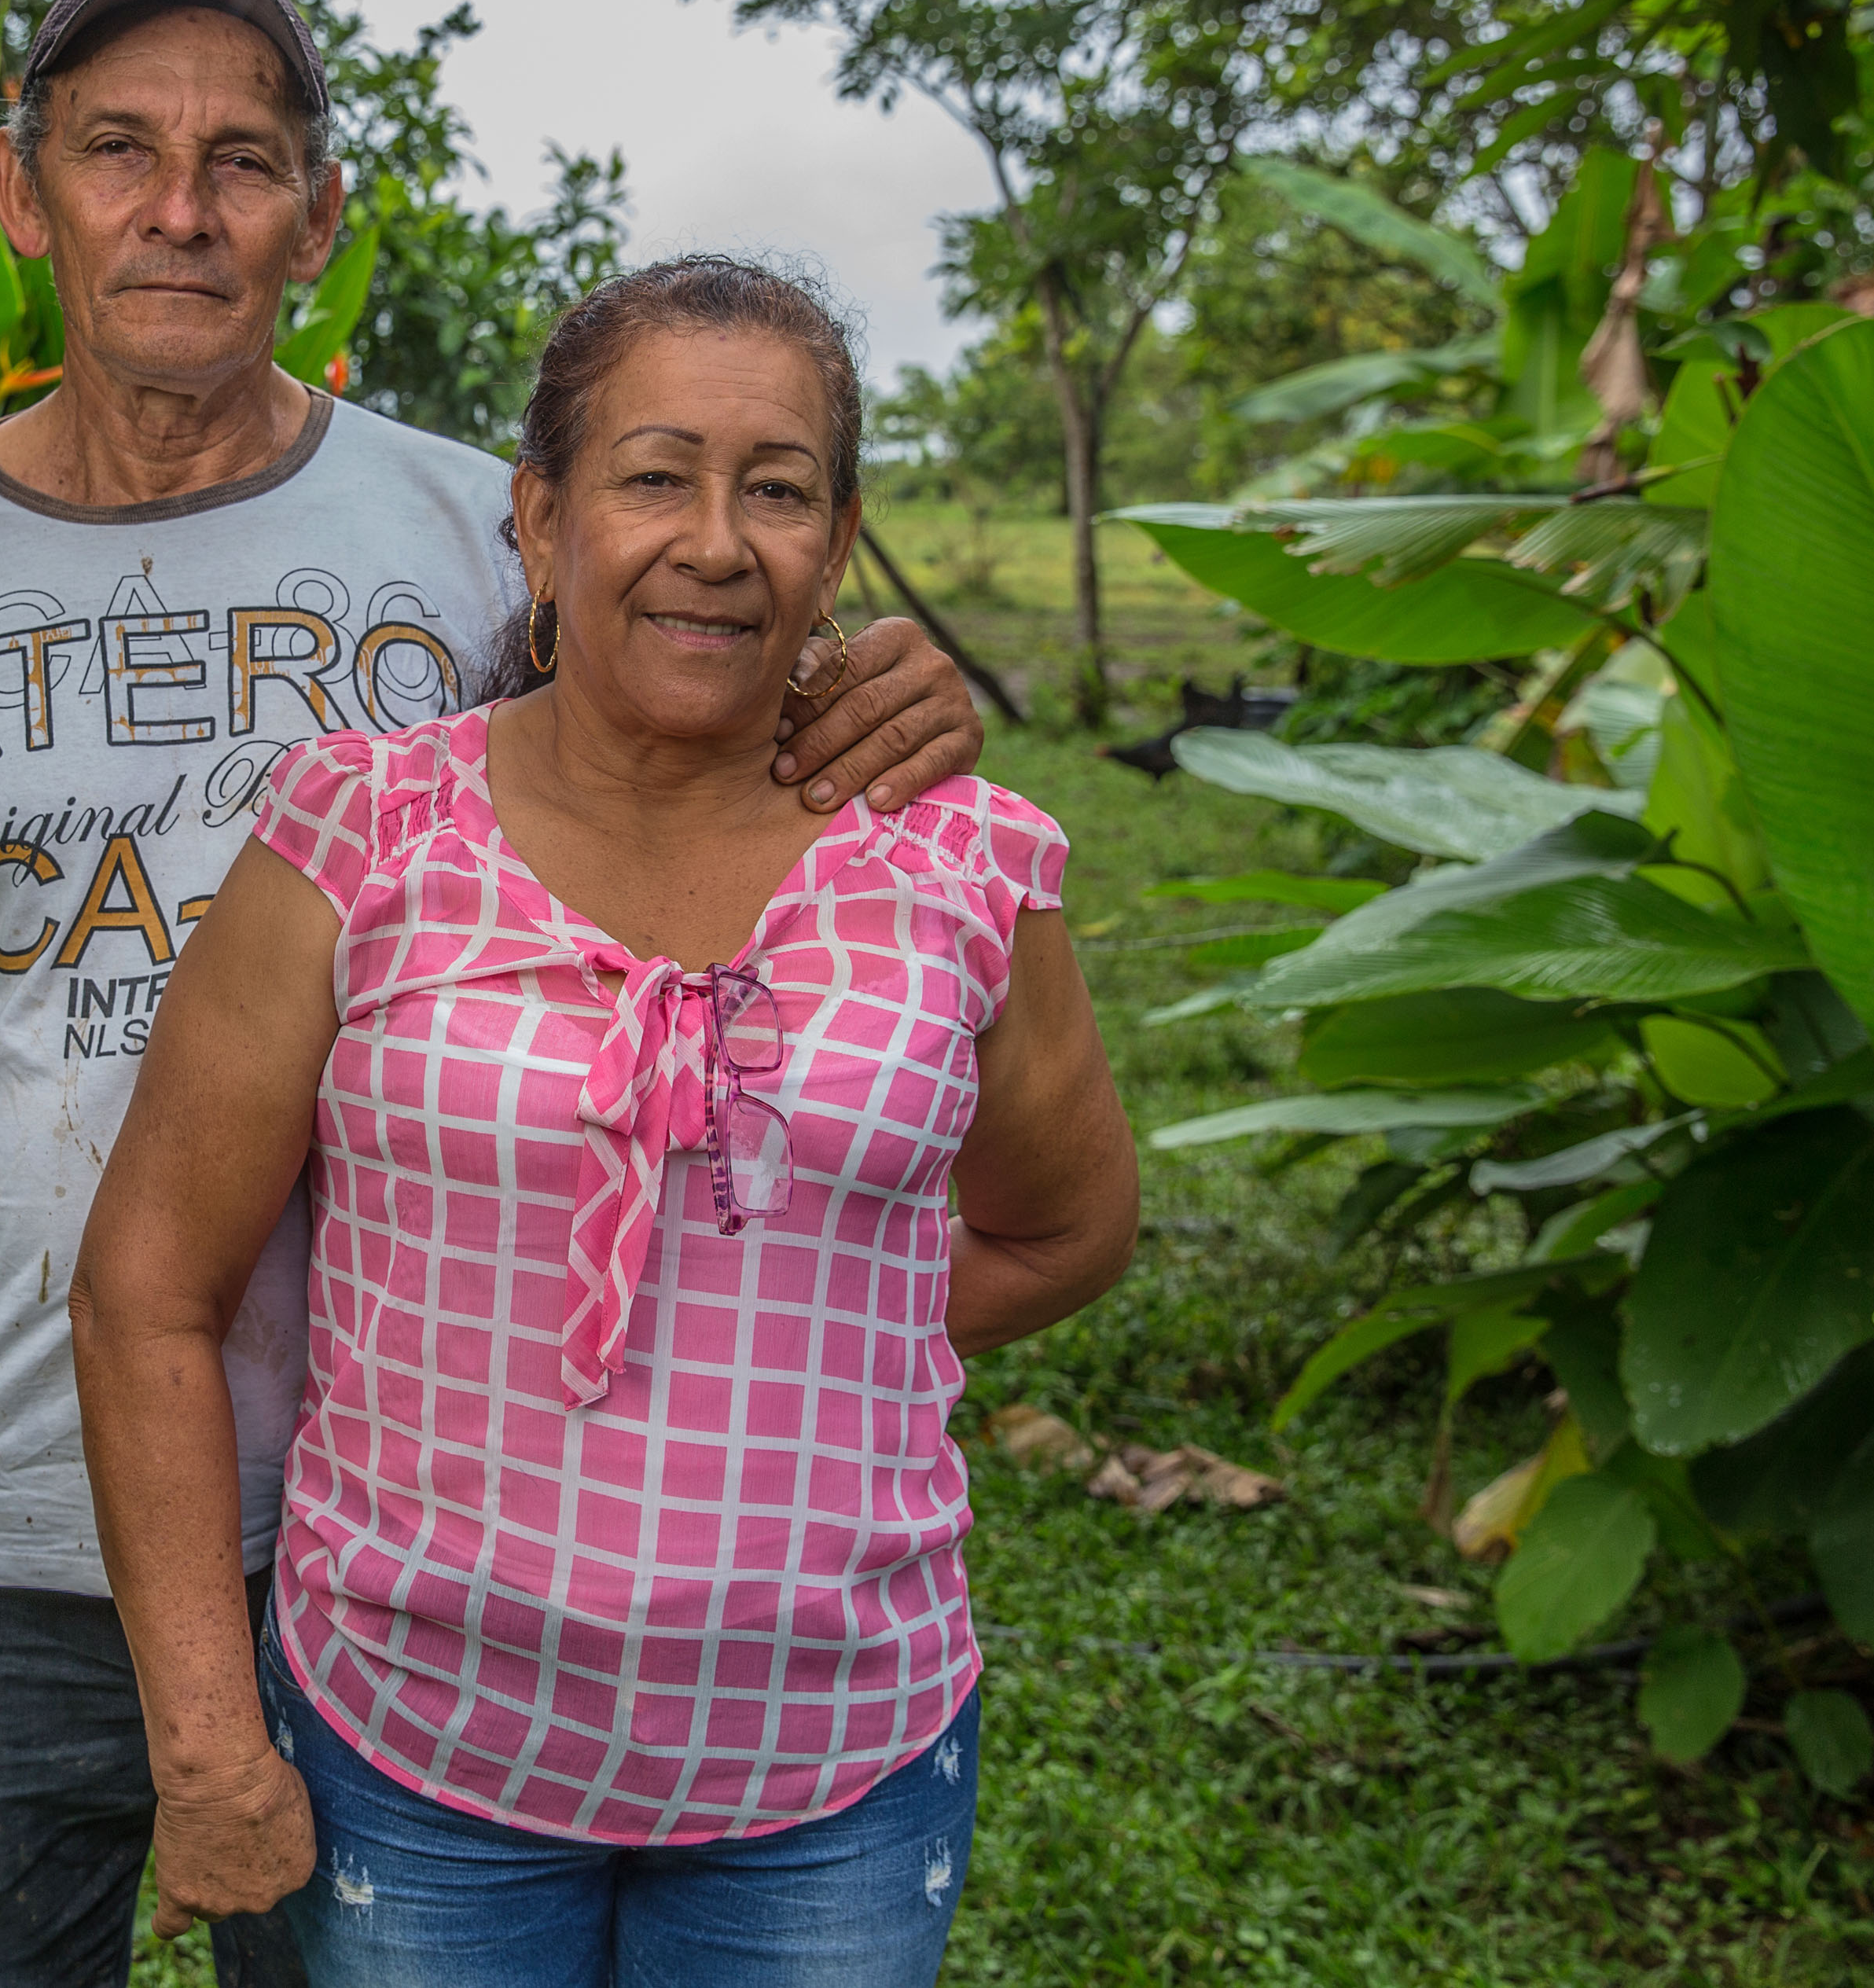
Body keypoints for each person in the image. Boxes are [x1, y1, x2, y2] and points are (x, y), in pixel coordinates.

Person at [0, 0, 993, 1988]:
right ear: (17, 191)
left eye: (242, 161)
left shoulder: (462, 523)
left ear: (318, 216)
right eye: (116, 151)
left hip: (389, 1542)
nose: (179, 210)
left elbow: (707, 711)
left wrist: (882, 698)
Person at [69, 257, 1140, 1986]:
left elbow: (1062, 1227)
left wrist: (791, 1309)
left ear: (837, 539)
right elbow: (146, 1291)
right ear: (539, 512)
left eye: (775, 488)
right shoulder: (360, 829)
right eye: (654, 474)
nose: (714, 540)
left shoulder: (957, 863)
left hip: (832, 1772)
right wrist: (204, 1743)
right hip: (414, 1756)